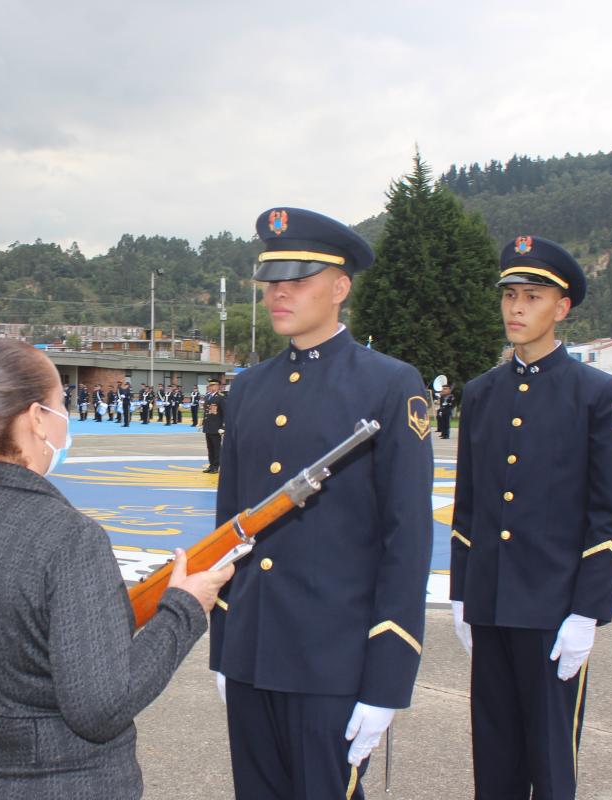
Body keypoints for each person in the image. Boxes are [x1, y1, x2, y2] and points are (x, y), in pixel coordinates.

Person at [0, 339, 233, 800]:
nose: (64, 420)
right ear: (36, 418)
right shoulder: (70, 538)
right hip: (60, 781)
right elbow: (101, 709)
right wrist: (184, 608)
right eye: (58, 406)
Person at [210, 207, 433, 799]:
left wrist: (386, 678)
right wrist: (224, 643)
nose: (279, 293)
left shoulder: (389, 385)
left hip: (334, 661)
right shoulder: (248, 389)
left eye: (298, 280)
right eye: (272, 281)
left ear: (340, 288)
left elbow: (406, 539)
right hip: (253, 651)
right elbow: (229, 527)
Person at [450, 235, 612, 800]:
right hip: (492, 601)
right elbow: (471, 504)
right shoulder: (481, 393)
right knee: (494, 751)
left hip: (554, 609)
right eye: (509, 296)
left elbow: (609, 514)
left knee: (551, 761)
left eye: (531, 296)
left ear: (562, 307)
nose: (515, 308)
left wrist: (588, 611)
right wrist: (464, 593)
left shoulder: (599, 395)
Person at [200, 378, 225, 474]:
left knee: (216, 448)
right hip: (208, 426)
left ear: (217, 386)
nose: (210, 387)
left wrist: (223, 427)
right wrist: (203, 423)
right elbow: (206, 412)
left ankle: (215, 466)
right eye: (210, 386)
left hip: (216, 427)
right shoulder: (208, 396)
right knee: (210, 448)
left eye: (212, 385)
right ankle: (211, 465)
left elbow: (225, 413)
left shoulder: (221, 397)